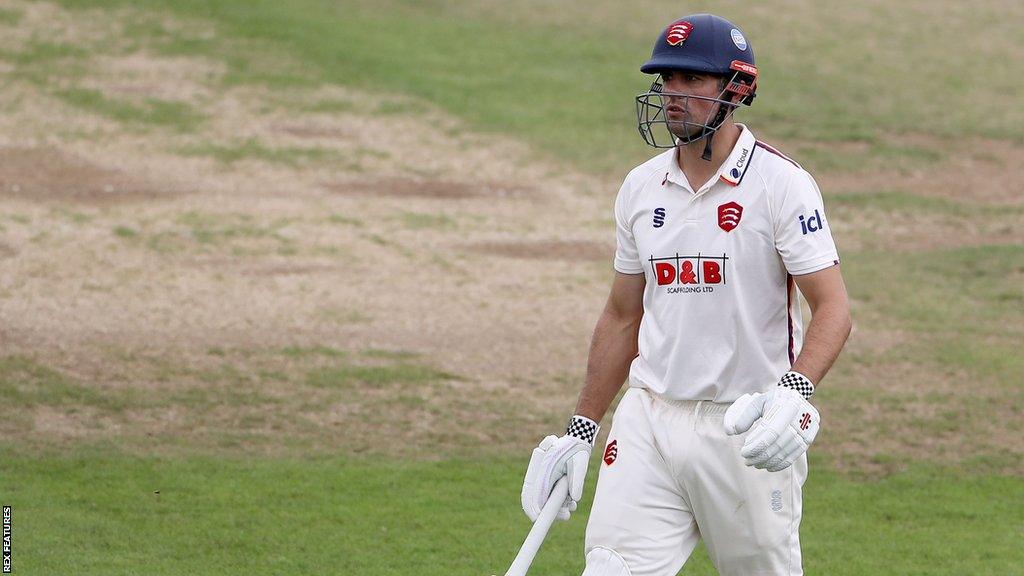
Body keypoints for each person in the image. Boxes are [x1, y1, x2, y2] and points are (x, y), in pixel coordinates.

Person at [520, 13, 852, 576]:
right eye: (667, 79)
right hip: (649, 418)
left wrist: (794, 393)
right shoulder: (640, 187)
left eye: (692, 81)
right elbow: (622, 316)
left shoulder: (782, 185)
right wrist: (580, 429)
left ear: (735, 88)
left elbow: (834, 309)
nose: (674, 94)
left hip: (747, 427)